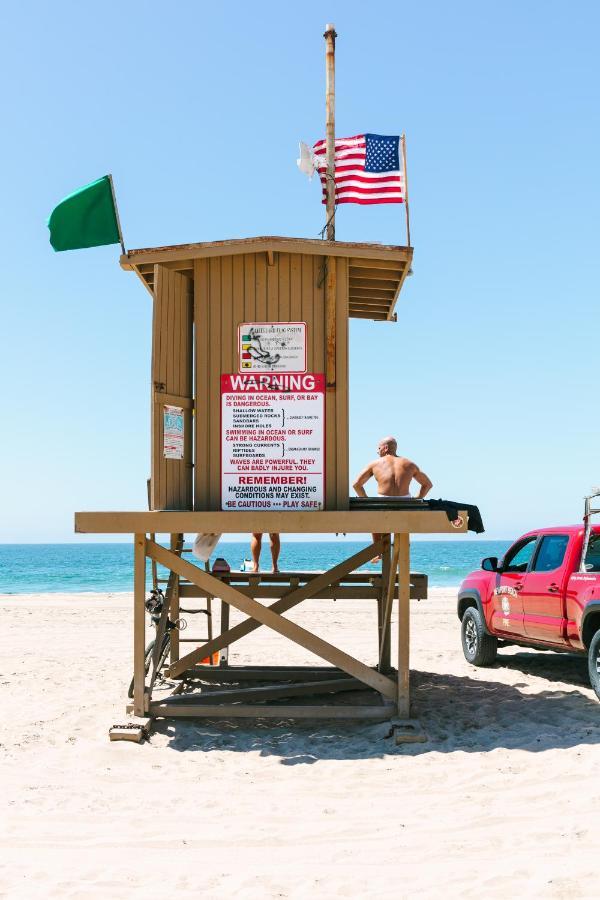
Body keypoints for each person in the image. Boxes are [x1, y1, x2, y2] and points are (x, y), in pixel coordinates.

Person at [352, 436, 433, 551]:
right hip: (406, 507)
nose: (377, 451)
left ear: (385, 448)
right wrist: (417, 500)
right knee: (405, 512)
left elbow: (356, 485)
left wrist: (366, 501)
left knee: (373, 514)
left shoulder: (375, 464)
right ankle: (403, 544)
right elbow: (428, 484)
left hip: (382, 507)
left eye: (378, 448)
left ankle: (377, 549)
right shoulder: (409, 464)